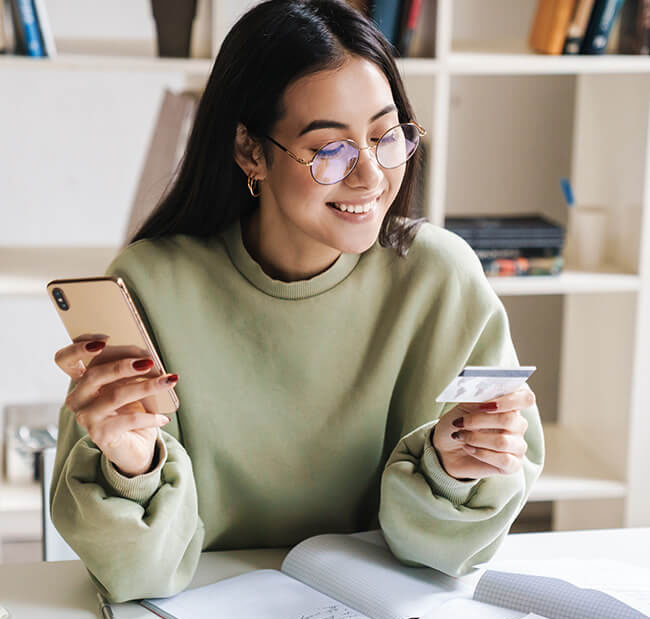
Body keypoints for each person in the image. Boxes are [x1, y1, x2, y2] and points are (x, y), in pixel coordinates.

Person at [50, 0, 543, 603]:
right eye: (329, 149)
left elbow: (443, 559)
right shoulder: (151, 283)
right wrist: (131, 463)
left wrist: (456, 469)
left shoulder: (440, 279)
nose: (370, 176)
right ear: (250, 151)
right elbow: (137, 576)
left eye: (386, 136)